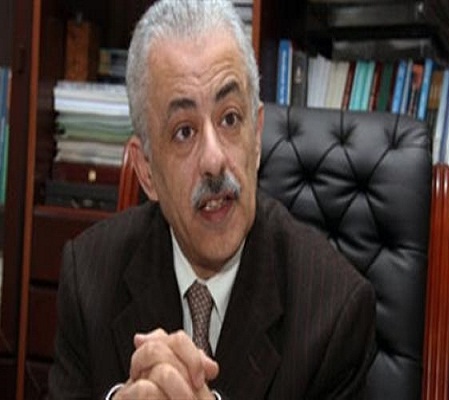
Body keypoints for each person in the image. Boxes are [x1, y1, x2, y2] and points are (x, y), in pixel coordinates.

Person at [48, 0, 376, 399]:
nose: (214, 160)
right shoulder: (89, 276)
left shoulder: (335, 312)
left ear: (257, 138)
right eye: (184, 132)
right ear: (146, 170)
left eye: (230, 119)